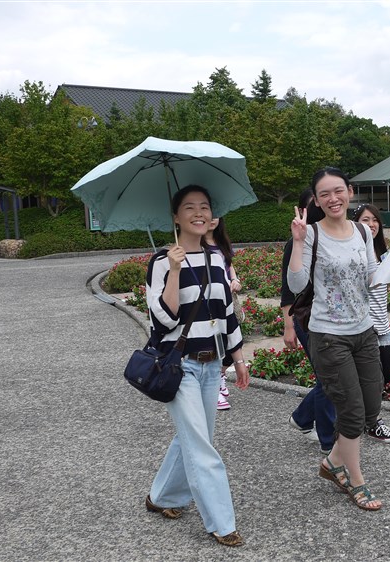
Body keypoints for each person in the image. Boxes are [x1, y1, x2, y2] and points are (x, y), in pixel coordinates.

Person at [144, 184, 250, 547]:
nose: (198, 213)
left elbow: (227, 314)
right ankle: (222, 522)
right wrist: (174, 272)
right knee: (202, 447)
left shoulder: (216, 258)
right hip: (180, 367)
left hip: (212, 365)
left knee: (194, 437)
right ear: (176, 217)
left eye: (204, 206)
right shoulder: (161, 261)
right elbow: (162, 321)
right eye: (189, 207)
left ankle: (161, 497)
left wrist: (237, 359)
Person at [287, 167, 384, 511]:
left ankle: (332, 462)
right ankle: (354, 479)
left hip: (364, 330)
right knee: (351, 410)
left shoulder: (362, 231)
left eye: (338, 190)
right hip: (328, 335)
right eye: (324, 194)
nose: (333, 198)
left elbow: (372, 278)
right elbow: (297, 285)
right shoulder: (311, 233)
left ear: (350, 192)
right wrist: (298, 242)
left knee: (371, 407)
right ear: (316, 200)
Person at [282, 189, 336, 454]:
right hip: (306, 318)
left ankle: (303, 417)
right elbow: (287, 289)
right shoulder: (297, 242)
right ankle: (328, 439)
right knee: (329, 379)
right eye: (312, 204)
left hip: (333, 318)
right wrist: (288, 326)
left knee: (330, 377)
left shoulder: (330, 237)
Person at [352, 203, 390, 444]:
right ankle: (370, 422)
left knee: (388, 372)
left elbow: (385, 283)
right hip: (365, 326)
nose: (372, 224)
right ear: (355, 224)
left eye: (375, 220)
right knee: (371, 379)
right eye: (366, 220)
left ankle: (306, 416)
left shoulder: (381, 250)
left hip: (382, 323)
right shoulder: (355, 252)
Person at [204, 217, 242, 411]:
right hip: (209, 305)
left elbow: (229, 264)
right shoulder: (196, 246)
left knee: (232, 342)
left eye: (215, 214)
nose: (212, 219)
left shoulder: (221, 242)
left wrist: (235, 280)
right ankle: (214, 387)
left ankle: (219, 376)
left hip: (227, 302)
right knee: (215, 343)